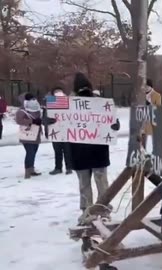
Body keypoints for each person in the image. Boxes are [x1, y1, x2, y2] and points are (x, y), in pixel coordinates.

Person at [69, 73, 120, 222]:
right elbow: (115, 125)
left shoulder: (70, 104)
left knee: (86, 183)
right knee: (100, 182)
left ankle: (90, 210)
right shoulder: (99, 103)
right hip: (96, 152)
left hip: (82, 152)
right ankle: (101, 210)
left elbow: (114, 124)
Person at [15, 93, 54, 178]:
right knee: (30, 152)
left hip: (36, 134)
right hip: (27, 134)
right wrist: (31, 122)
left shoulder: (36, 108)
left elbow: (40, 117)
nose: (33, 100)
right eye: (30, 99)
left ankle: (31, 169)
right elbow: (18, 120)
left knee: (34, 152)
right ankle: (27, 171)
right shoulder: (22, 110)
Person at [48, 87, 73, 175]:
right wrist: (48, 121)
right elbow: (44, 118)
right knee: (57, 151)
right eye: (56, 93)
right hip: (55, 132)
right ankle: (58, 168)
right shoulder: (49, 105)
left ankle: (69, 167)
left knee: (68, 151)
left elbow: (75, 117)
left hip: (67, 131)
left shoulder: (70, 104)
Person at [141, 78, 162, 148]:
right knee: (142, 138)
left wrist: (149, 104)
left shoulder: (157, 95)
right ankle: (142, 152)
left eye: (147, 86)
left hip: (152, 121)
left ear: (151, 86)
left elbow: (158, 109)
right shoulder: (141, 95)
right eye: (145, 86)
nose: (146, 88)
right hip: (143, 120)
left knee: (153, 140)